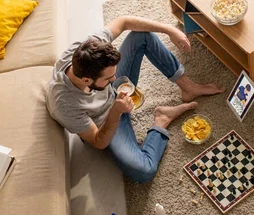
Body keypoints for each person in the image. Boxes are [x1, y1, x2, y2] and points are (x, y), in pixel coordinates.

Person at [46, 16, 224, 183]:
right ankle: (161, 120)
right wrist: (116, 111)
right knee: (143, 171)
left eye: (113, 75)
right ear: (86, 80)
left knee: (141, 36)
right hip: (106, 123)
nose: (115, 81)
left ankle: (188, 87)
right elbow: (98, 141)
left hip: (113, 102)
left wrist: (169, 29)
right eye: (109, 79)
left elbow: (123, 22)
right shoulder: (64, 104)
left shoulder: (86, 50)